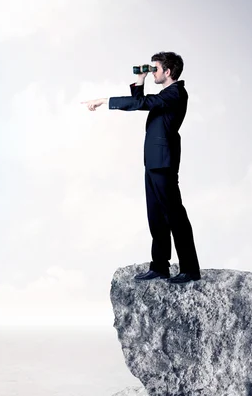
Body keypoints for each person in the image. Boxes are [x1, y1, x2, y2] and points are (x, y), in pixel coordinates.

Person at [81, 51, 201, 284]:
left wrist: (104, 101)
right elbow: (140, 99)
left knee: (175, 215)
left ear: (167, 72)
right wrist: (141, 79)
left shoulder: (175, 93)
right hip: (154, 161)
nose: (152, 71)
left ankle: (190, 269)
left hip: (163, 161)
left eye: (155, 68)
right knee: (156, 215)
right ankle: (159, 266)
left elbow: (141, 103)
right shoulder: (166, 94)